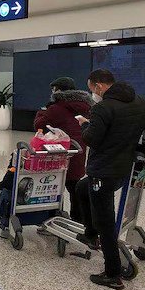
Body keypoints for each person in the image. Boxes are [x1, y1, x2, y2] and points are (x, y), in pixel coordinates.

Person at [76, 69, 145, 290]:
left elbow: (91, 139)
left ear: (99, 86)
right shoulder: (139, 102)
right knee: (81, 187)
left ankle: (112, 274)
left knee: (106, 222)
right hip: (121, 170)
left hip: (102, 172)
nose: (93, 94)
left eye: (92, 90)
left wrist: (84, 124)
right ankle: (91, 234)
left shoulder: (102, 108)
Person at [34, 77, 92, 222]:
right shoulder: (85, 106)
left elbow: (39, 125)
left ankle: (54, 217)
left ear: (58, 90)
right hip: (78, 150)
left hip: (58, 152)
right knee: (74, 185)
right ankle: (78, 219)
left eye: (53, 89)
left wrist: (42, 112)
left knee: (54, 185)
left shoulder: (56, 108)